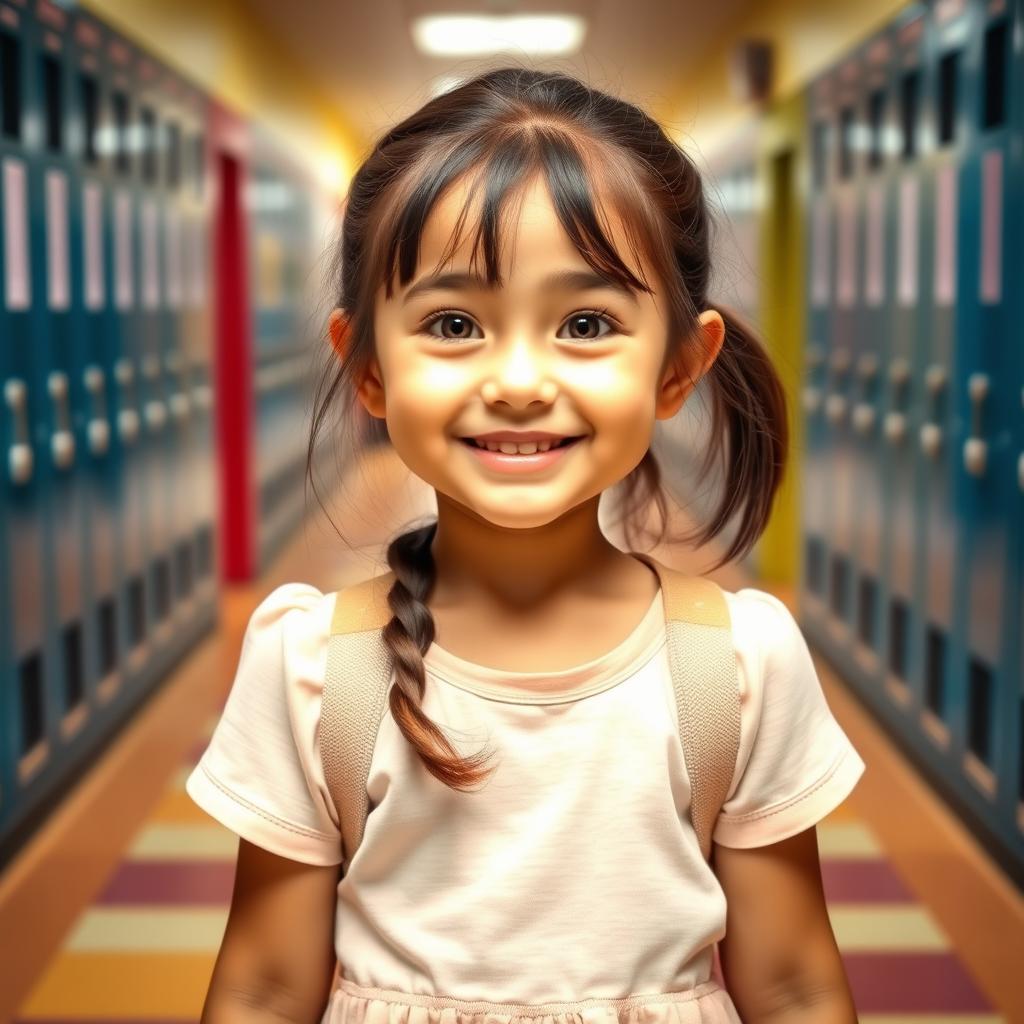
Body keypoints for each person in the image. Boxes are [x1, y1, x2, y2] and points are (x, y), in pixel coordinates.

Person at [186, 66, 866, 1024]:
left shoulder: (737, 663)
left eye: (585, 324)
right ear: (368, 368)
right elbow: (261, 987)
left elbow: (793, 983)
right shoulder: (312, 666)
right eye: (454, 324)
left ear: (677, 370)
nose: (515, 380)